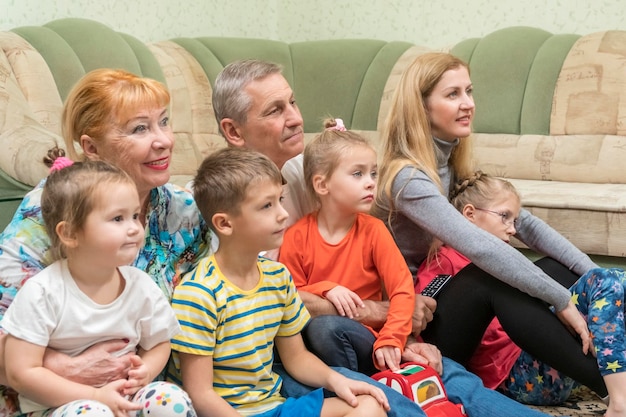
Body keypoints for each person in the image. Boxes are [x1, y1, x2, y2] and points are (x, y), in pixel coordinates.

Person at [210, 58, 556, 417]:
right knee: (354, 368)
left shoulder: (306, 167)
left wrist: (401, 331)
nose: (296, 118)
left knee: (443, 373)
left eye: (293, 103)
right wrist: (379, 310)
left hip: (365, 333)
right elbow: (270, 297)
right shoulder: (217, 204)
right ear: (234, 132)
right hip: (288, 354)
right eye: (275, 110)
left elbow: (374, 255)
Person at [372, 51, 613, 405]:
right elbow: (479, 246)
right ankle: (611, 383)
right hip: (414, 320)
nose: (468, 103)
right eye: (452, 94)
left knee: (555, 269)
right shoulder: (407, 177)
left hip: (445, 298)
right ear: (421, 107)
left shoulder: (452, 163)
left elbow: (526, 224)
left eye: (469, 91)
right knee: (494, 274)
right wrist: (560, 300)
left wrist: (596, 278)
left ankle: (613, 370)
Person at [0, 68, 212, 416]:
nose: (164, 140)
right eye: (140, 129)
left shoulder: (181, 209)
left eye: (164, 122)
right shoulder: (48, 212)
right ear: (91, 148)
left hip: (142, 389)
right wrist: (59, 368)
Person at [168, 147, 390, 417]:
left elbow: (296, 359)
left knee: (368, 405)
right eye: (267, 206)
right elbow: (200, 394)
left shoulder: (278, 277)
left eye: (280, 200)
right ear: (225, 224)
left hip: (274, 407)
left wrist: (340, 382)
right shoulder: (199, 293)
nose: (283, 214)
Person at [1, 154, 195, 417]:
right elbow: (21, 372)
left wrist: (147, 369)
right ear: (69, 234)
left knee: (170, 399)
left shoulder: (141, 285)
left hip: (126, 398)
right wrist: (94, 396)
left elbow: (159, 341)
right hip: (60, 406)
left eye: (135, 215)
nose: (134, 228)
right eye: (117, 218)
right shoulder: (42, 293)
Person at [418, 171, 626, 411]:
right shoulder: (443, 261)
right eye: (504, 217)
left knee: (601, 278)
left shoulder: (508, 261)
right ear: (470, 214)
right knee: (492, 275)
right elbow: (425, 318)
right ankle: (618, 398)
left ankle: (618, 384)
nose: (513, 230)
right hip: (517, 377)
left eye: (514, 221)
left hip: (544, 358)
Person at [279, 118, 415, 376]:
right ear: (322, 185)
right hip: (315, 349)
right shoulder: (296, 237)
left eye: (373, 173)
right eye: (358, 174)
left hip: (366, 340)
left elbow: (403, 289)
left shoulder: (374, 230)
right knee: (321, 328)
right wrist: (327, 289)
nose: (370, 182)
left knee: (327, 327)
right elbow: (288, 295)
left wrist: (392, 338)